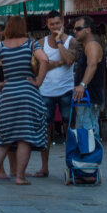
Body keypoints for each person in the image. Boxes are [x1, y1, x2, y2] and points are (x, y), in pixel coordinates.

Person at [0, 16, 49, 185]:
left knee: (3, 137)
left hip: (8, 93)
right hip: (27, 93)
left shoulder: (0, 46)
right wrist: (38, 81)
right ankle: (19, 177)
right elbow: (44, 59)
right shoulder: (31, 44)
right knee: (24, 137)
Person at [34, 10, 77, 178]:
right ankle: (44, 167)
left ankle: (72, 163)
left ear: (63, 23)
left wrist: (59, 42)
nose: (54, 27)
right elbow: (39, 67)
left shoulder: (71, 41)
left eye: (57, 24)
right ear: (47, 25)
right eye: (51, 24)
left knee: (69, 128)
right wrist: (58, 62)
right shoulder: (40, 43)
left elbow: (69, 60)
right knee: (46, 129)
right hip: (46, 90)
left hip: (66, 89)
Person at [72, 15, 106, 123]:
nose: (75, 31)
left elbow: (92, 65)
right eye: (74, 29)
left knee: (87, 134)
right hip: (86, 98)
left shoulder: (92, 45)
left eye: (78, 29)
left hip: (90, 98)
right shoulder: (87, 46)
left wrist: (82, 85)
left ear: (88, 30)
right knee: (85, 134)